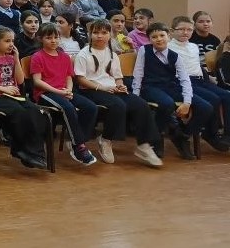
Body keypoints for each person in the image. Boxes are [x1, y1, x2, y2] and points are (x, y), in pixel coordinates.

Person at [74, 18, 163, 166]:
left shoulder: (112, 54)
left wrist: (121, 86)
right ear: (90, 34)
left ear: (110, 34)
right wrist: (101, 87)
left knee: (140, 104)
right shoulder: (83, 54)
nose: (100, 36)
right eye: (96, 32)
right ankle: (105, 139)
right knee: (118, 105)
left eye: (104, 32)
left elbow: (118, 77)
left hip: (111, 88)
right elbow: (80, 79)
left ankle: (144, 145)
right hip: (90, 90)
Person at [132, 22, 213, 160]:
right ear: (149, 39)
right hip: (150, 87)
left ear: (168, 36)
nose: (159, 39)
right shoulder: (144, 50)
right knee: (167, 103)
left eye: (162, 35)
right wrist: (136, 95)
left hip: (170, 86)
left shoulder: (175, 56)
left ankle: (182, 135)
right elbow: (138, 74)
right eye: (154, 37)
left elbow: (185, 80)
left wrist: (187, 102)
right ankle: (156, 140)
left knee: (206, 107)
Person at [0, 26, 48, 169]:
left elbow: (20, 81)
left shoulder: (11, 58)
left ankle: (36, 153)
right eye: (7, 41)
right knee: (19, 113)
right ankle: (20, 149)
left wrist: (16, 58)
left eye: (12, 41)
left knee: (35, 111)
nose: (11, 44)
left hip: (14, 95)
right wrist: (4, 89)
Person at [30, 23, 98, 165]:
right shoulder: (37, 56)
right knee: (68, 108)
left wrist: (69, 90)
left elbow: (69, 77)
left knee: (91, 107)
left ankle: (78, 141)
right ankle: (79, 147)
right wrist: (58, 91)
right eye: (49, 38)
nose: (53, 41)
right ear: (41, 39)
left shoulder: (65, 57)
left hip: (64, 91)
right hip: (45, 93)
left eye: (56, 37)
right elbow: (37, 81)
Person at [168, 16, 230, 150]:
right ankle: (210, 133)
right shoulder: (168, 47)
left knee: (226, 96)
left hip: (200, 80)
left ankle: (227, 134)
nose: (185, 32)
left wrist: (209, 79)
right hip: (182, 81)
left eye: (189, 29)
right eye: (181, 29)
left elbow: (197, 66)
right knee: (213, 99)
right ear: (172, 31)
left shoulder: (193, 47)